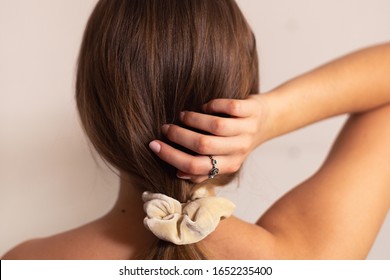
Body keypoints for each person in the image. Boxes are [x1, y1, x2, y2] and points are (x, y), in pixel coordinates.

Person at [2, 0, 390, 260]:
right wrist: (271, 115)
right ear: (244, 89)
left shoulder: (24, 263)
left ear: (95, 108)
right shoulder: (310, 254)